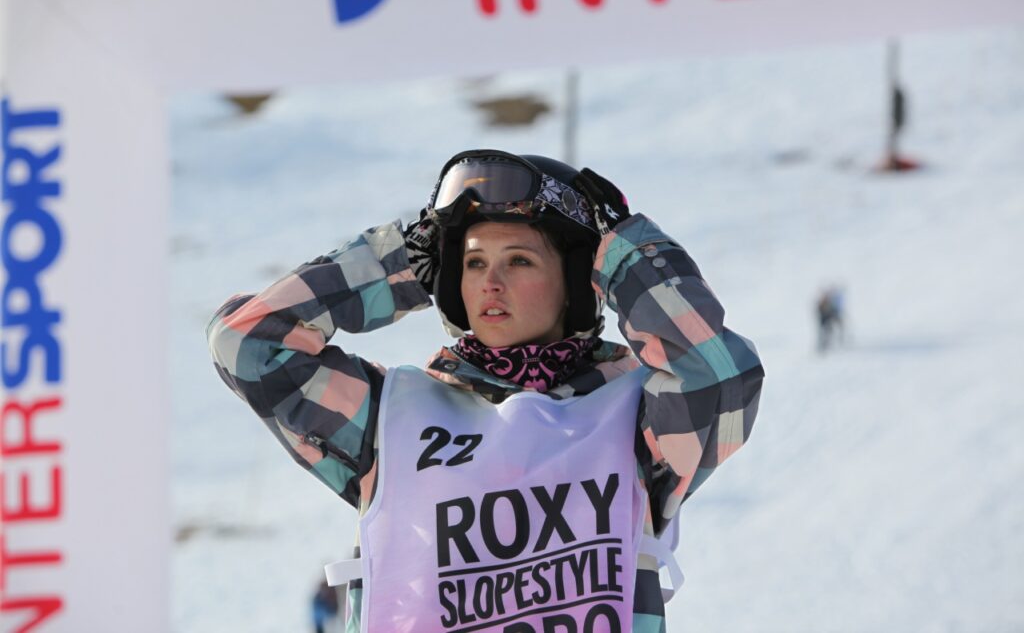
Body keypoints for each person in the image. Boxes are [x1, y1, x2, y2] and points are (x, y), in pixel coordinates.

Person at [207, 150, 764, 632]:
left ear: (576, 282)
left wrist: (624, 256)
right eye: (472, 263)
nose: (490, 284)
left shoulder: (636, 422)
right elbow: (247, 343)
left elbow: (718, 376)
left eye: (518, 260)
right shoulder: (388, 420)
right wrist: (402, 265)